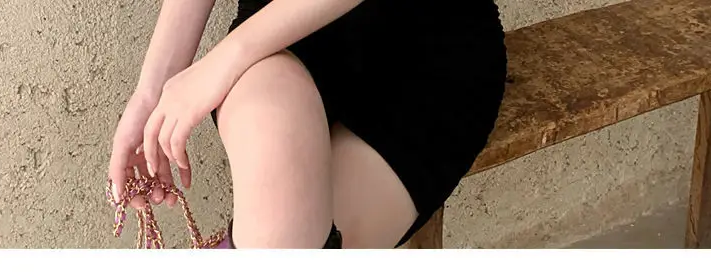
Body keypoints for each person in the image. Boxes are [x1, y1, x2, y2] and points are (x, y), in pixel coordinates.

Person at [108, 0, 509, 247]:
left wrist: (226, 59)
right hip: (276, 40)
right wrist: (151, 95)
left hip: (426, 50)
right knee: (274, 176)